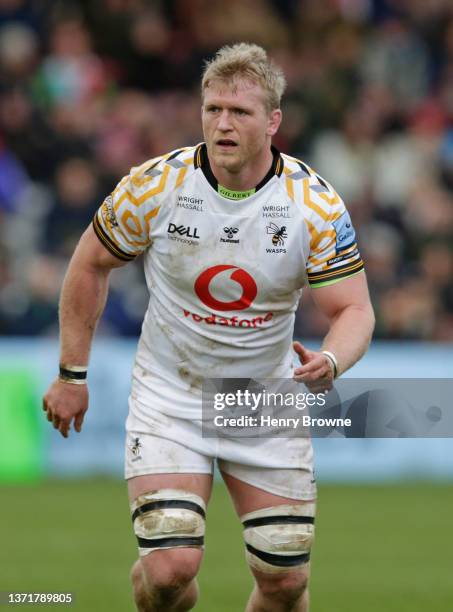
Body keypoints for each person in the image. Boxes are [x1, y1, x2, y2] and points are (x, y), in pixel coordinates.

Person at [43, 43, 375, 612]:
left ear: (272, 121)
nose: (223, 123)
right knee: (171, 570)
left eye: (240, 112)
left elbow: (354, 309)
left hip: (265, 400)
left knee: (284, 578)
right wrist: (72, 373)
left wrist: (333, 360)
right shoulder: (157, 186)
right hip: (172, 393)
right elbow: (89, 263)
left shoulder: (313, 205)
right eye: (213, 108)